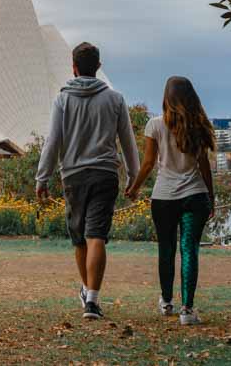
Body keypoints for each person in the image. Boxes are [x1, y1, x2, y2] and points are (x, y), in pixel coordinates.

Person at [36, 42, 140, 319]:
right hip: (106, 173)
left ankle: (88, 293)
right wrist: (134, 176)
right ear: (98, 67)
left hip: (73, 175)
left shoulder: (62, 99)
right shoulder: (115, 99)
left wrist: (42, 177)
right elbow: (128, 142)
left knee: (81, 238)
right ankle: (91, 297)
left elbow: (53, 141)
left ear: (73, 67)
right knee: (97, 236)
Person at [125, 76, 215, 326]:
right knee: (190, 250)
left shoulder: (154, 125)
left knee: (166, 249)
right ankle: (187, 310)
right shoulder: (199, 126)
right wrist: (212, 196)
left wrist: (134, 188)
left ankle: (166, 302)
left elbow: (148, 163)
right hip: (195, 195)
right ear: (191, 97)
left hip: (163, 198)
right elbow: (204, 166)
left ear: (166, 97)